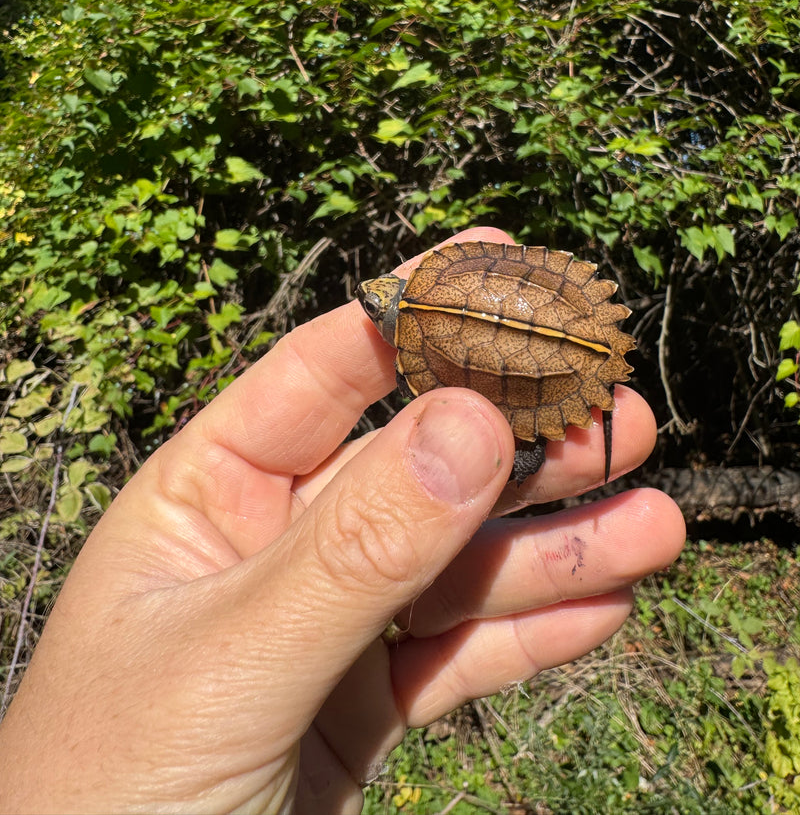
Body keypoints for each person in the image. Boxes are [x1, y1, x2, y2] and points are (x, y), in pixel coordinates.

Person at [0, 227, 685, 814]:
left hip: (544, 339)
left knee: (506, 422)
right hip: (557, 313)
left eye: (374, 301)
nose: (373, 302)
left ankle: (521, 445)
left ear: (385, 315)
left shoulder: (424, 327)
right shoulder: (449, 275)